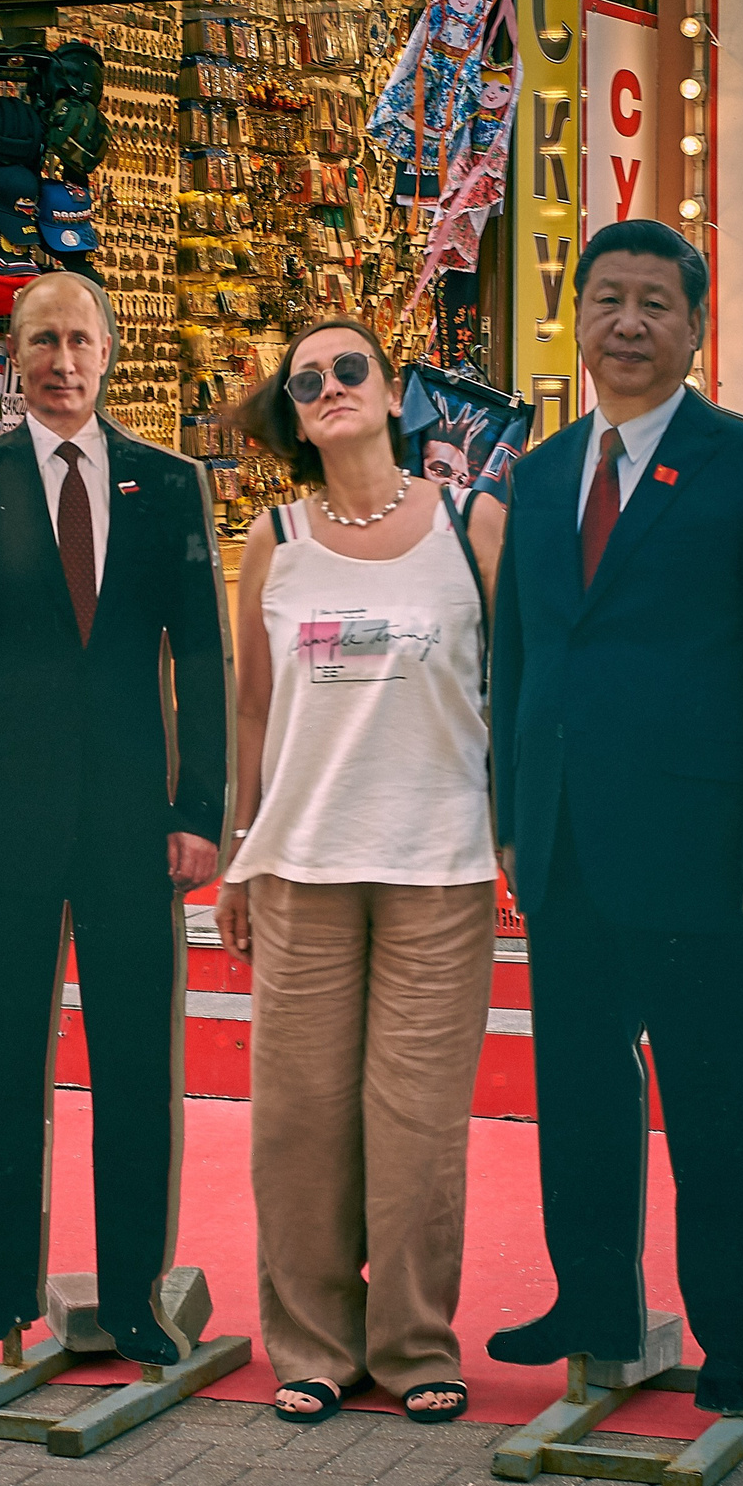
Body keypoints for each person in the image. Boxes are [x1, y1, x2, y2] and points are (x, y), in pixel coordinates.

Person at [486, 218, 743, 1416]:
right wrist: (507, 818)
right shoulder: (536, 478)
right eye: (607, 301)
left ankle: (739, 1334)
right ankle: (588, 1293)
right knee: (578, 1081)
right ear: (576, 319)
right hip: (565, 841)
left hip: (699, 845)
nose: (627, 323)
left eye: (654, 303)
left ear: (693, 328)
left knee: (713, 1088)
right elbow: (517, 662)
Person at [0, 270, 230, 1365]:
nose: (61, 361)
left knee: (135, 1067)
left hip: (136, 823)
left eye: (79, 341)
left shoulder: (166, 484)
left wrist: (201, 810)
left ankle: (135, 1294)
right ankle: (3, 1285)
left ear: (108, 352)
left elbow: (201, 656)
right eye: (41, 340)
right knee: (3, 1059)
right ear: (14, 353)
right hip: (0, 810)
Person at [217, 318, 507, 1427]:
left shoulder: (471, 527)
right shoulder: (273, 539)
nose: (330, 386)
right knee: (297, 1121)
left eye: (350, 370)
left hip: (438, 865)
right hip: (299, 861)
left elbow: (511, 690)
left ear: (393, 395)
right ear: (294, 414)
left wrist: (512, 830)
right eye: (307, 380)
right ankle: (314, 1345)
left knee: (417, 1122)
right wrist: (237, 855)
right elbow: (252, 709)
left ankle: (414, 1343)